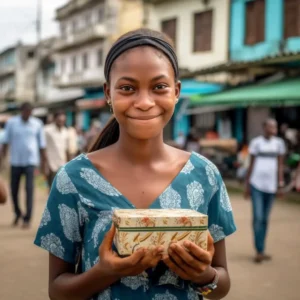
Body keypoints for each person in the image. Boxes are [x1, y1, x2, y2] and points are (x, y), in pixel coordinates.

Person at [34, 28, 236, 300]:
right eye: (127, 88)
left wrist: (203, 275)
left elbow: (221, 283)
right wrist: (106, 271)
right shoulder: (73, 179)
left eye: (159, 87)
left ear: (176, 91)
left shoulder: (205, 176)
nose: (143, 102)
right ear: (108, 93)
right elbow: (57, 291)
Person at [0, 102, 47, 228]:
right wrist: (2, 159)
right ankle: (17, 213)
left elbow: (42, 145)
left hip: (30, 162)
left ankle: (27, 218)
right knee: (14, 190)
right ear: (21, 111)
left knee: (29, 189)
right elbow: (5, 143)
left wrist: (44, 163)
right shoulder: (12, 123)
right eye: (25, 111)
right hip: (15, 161)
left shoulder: (37, 124)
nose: (27, 114)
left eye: (29, 111)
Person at [245, 118, 285, 263]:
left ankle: (261, 249)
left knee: (265, 219)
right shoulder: (256, 143)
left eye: (274, 127)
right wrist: (247, 184)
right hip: (256, 184)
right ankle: (258, 250)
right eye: (270, 126)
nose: (273, 129)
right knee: (258, 217)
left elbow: (280, 165)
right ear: (264, 128)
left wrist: (280, 184)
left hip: (271, 186)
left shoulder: (279, 144)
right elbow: (251, 164)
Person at [44, 111, 70, 190]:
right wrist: (45, 165)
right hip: (51, 165)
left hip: (62, 165)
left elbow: (67, 150)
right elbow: (43, 148)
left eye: (63, 121)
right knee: (52, 189)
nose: (61, 122)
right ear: (55, 119)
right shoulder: (47, 130)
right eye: (59, 120)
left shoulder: (66, 132)